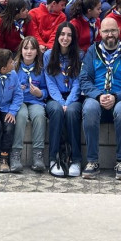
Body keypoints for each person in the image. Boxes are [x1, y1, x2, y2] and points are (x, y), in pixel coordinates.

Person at [78, 19, 121, 180]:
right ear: (100, 33)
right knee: (89, 109)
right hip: (97, 95)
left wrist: (116, 96)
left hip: (120, 95)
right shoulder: (92, 51)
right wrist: (98, 95)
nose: (110, 34)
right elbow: (84, 79)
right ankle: (92, 161)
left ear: (119, 31)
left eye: (113, 30)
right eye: (106, 31)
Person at [44, 22, 82, 178]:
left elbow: (79, 82)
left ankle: (76, 160)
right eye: (62, 34)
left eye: (69, 35)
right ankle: (54, 159)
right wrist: (61, 103)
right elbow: (50, 82)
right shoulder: (48, 55)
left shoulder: (79, 55)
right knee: (56, 111)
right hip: (55, 97)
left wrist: (68, 103)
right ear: (57, 36)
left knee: (72, 112)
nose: (65, 38)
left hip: (73, 97)